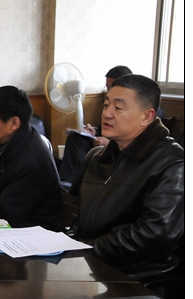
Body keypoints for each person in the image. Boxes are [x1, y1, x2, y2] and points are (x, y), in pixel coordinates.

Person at [69, 74, 184, 280]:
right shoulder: (100, 157)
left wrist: (86, 249)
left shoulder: (173, 164)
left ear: (147, 116)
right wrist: (69, 242)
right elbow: (83, 218)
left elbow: (154, 234)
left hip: (139, 278)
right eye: (106, 105)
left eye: (118, 108)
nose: (107, 114)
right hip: (92, 264)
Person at [0, 86, 63, 231]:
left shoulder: (30, 159)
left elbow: (8, 214)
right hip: (12, 227)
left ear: (14, 123)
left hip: (34, 236)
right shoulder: (10, 143)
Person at [58, 66, 132, 182]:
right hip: (106, 140)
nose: (108, 91)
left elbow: (138, 144)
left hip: (121, 149)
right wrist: (95, 131)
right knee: (76, 138)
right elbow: (107, 126)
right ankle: (69, 183)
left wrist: (109, 144)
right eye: (107, 87)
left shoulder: (138, 109)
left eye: (111, 87)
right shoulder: (110, 102)